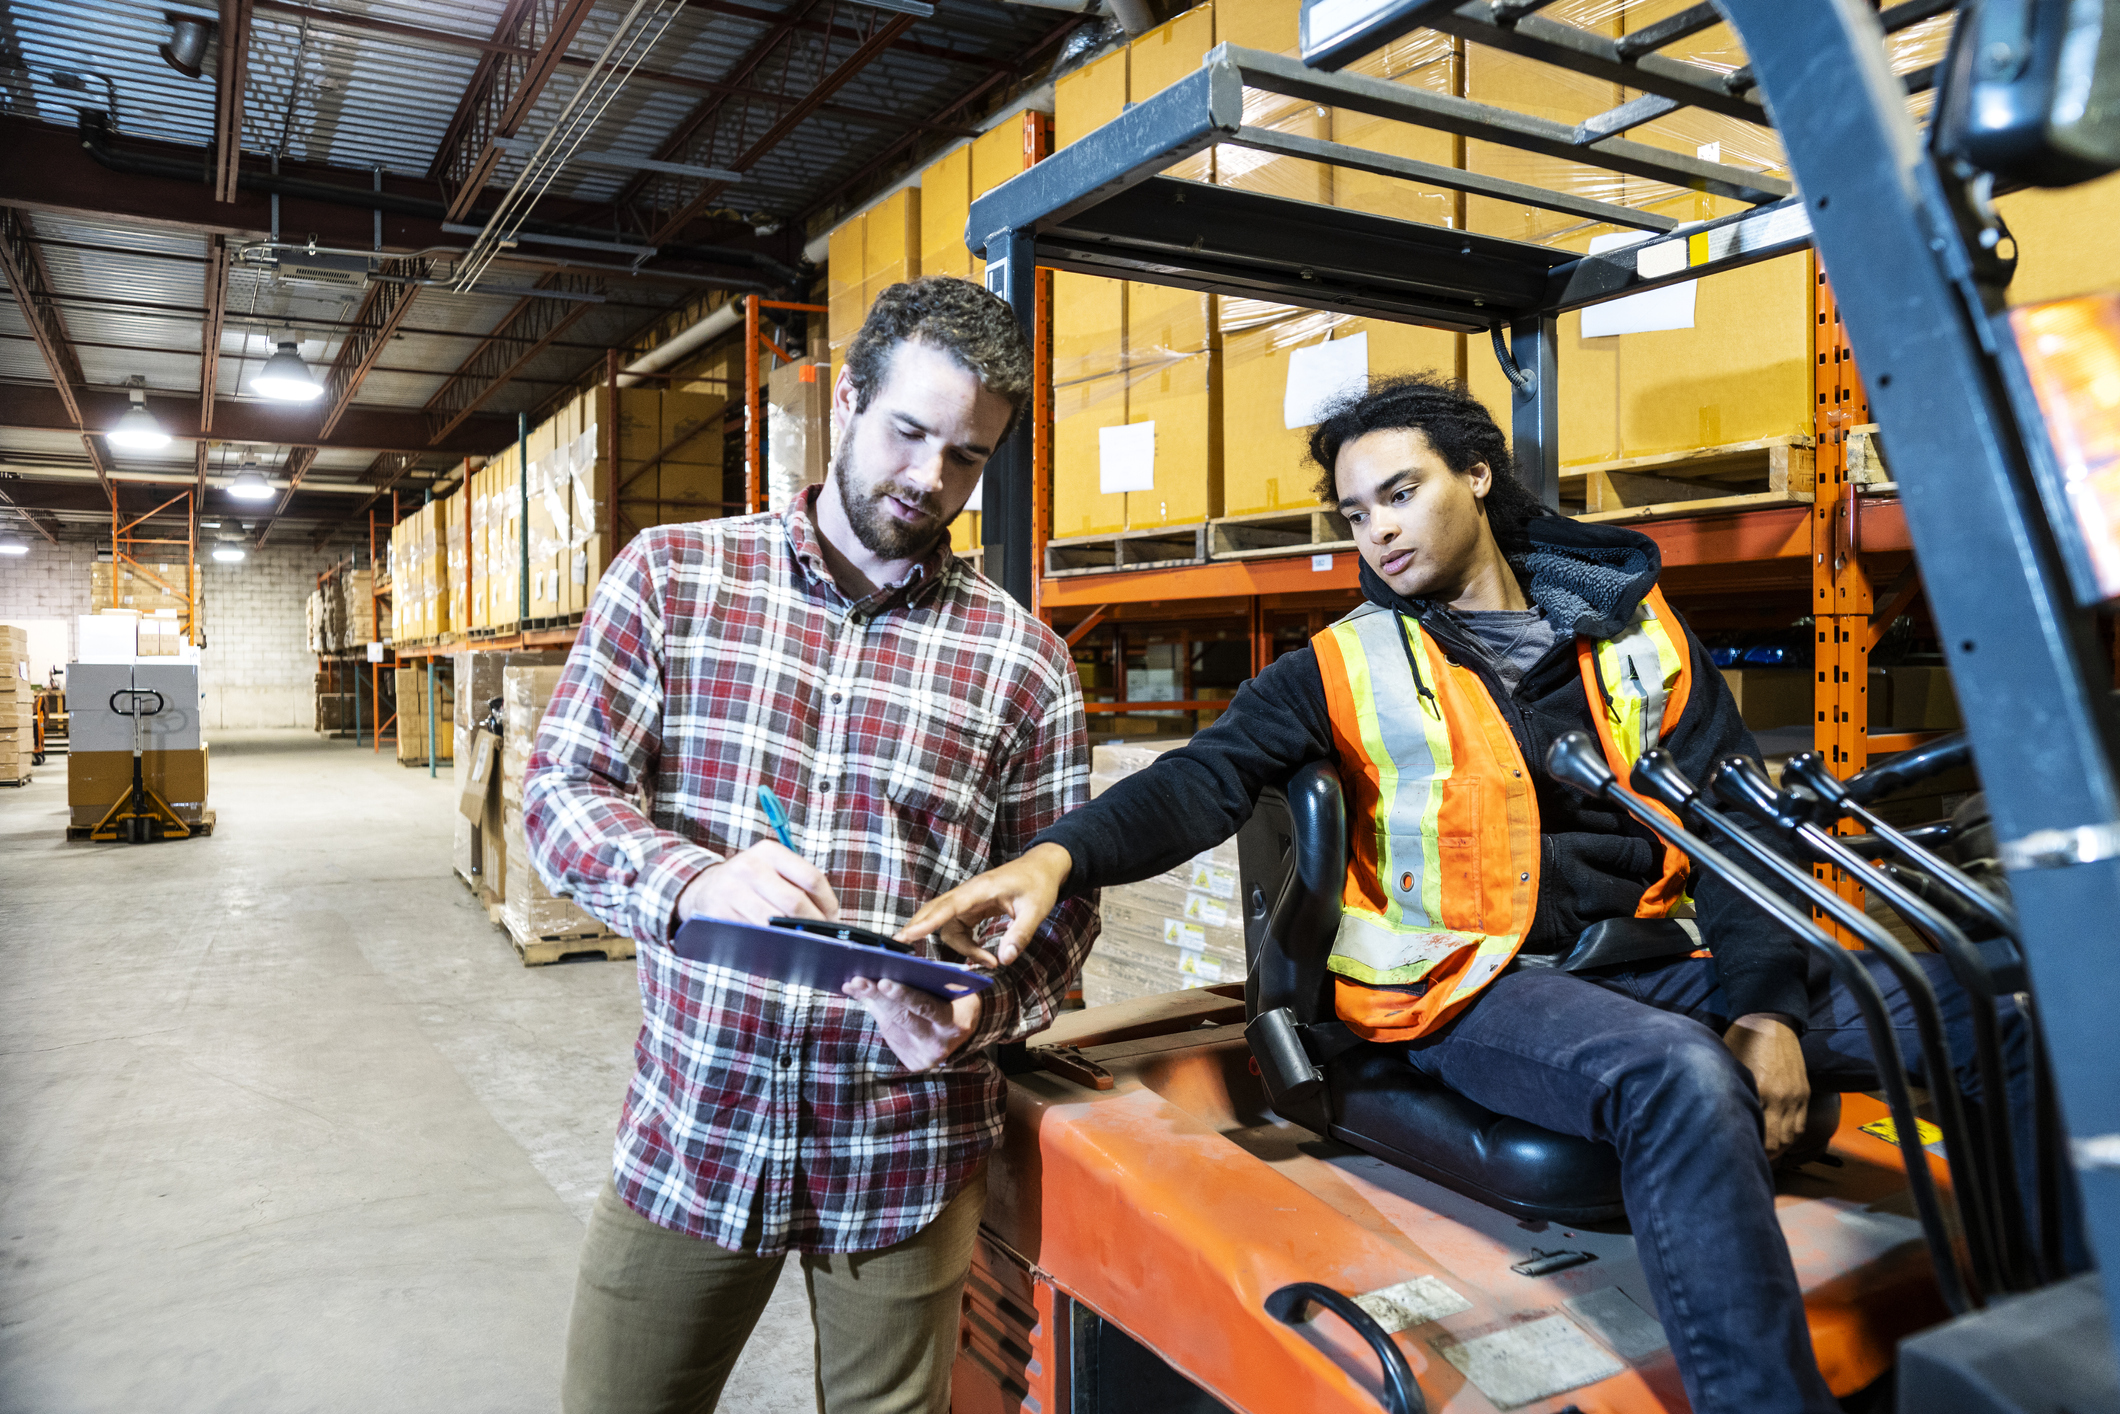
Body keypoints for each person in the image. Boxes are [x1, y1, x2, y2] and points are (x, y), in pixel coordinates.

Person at [899, 373, 2063, 1414]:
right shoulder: (1342, 665)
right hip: (1463, 985)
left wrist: (1764, 1005)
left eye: (1398, 493)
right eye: (1355, 513)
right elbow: (1202, 779)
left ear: (1476, 472)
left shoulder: (1636, 635)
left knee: (1982, 1001)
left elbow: (1734, 831)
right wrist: (1054, 859)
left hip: (1647, 959)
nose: (1378, 531)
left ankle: (2054, 1328)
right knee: (1678, 1075)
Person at [524, 275, 1099, 1414]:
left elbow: (1064, 911)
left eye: (969, 457)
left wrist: (985, 1004)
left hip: (901, 1149)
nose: (931, 480)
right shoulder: (674, 578)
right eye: (909, 432)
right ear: (844, 400)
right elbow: (560, 791)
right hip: (699, 1122)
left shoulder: (1022, 661)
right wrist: (694, 880)